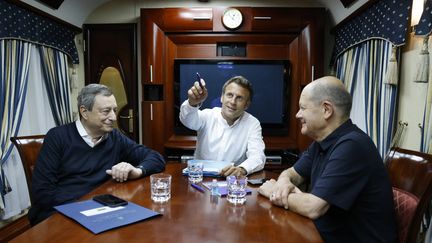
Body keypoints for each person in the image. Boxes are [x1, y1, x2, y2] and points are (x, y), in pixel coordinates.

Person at [258, 76, 397, 242]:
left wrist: (273, 192)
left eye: (303, 108)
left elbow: (313, 207)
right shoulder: (321, 142)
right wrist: (283, 184)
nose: (297, 114)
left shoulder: (352, 145)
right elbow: (292, 173)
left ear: (326, 110)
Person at [29, 84, 166, 225]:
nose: (113, 117)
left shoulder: (115, 137)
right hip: (61, 214)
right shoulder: (57, 137)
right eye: (106, 111)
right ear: (84, 112)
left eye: (114, 110)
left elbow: (156, 159)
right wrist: (86, 209)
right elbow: (42, 193)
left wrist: (137, 171)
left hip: (102, 210)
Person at [179, 75, 266, 176]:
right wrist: (192, 103)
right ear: (222, 97)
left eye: (239, 98)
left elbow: (258, 156)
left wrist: (241, 169)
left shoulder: (252, 123)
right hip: (200, 178)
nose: (233, 102)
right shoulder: (207, 115)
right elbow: (187, 120)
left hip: (231, 181)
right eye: (229, 95)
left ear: (246, 105)